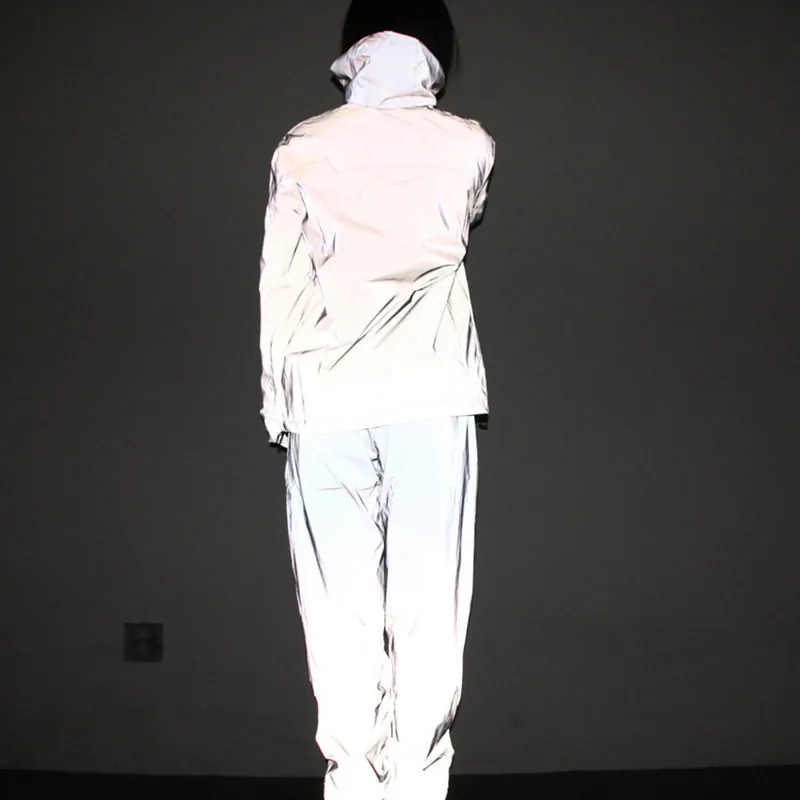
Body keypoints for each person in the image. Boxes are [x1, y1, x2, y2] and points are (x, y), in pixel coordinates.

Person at [258, 2, 495, 797]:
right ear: (440, 46)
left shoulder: (304, 146)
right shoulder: (468, 144)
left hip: (324, 396)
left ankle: (355, 784)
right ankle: (417, 787)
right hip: (429, 387)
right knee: (430, 614)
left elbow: (281, 285)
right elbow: (458, 219)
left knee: (339, 619)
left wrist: (278, 403)